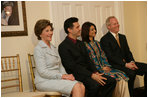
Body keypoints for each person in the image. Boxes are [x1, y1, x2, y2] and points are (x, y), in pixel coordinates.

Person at [58, 17, 116, 97]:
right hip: (77, 74)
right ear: (69, 30)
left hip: (89, 72)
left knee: (111, 81)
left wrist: (95, 72)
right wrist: (91, 75)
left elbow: (88, 60)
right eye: (77, 27)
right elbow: (72, 67)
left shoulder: (81, 43)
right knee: (95, 85)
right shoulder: (63, 46)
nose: (80, 29)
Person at [33, 19, 85, 97]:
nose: (50, 33)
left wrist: (66, 76)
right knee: (77, 86)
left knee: (82, 86)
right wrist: (62, 76)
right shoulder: (38, 49)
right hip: (44, 81)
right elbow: (43, 72)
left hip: (56, 79)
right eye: (47, 31)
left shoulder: (53, 48)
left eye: (51, 30)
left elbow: (60, 66)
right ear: (40, 34)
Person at [100, 16, 147, 96]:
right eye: (115, 24)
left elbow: (128, 52)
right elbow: (110, 57)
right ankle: (130, 95)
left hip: (128, 63)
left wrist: (132, 62)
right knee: (131, 73)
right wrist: (126, 65)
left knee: (146, 67)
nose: (118, 25)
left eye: (117, 23)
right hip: (116, 65)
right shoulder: (105, 39)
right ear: (109, 27)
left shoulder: (122, 37)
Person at [81, 21, 130, 97]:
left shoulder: (97, 43)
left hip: (105, 67)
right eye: (92, 29)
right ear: (86, 31)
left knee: (122, 76)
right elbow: (89, 61)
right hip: (96, 70)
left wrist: (106, 66)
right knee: (115, 79)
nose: (95, 31)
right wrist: (100, 68)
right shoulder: (83, 45)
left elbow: (103, 56)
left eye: (95, 29)